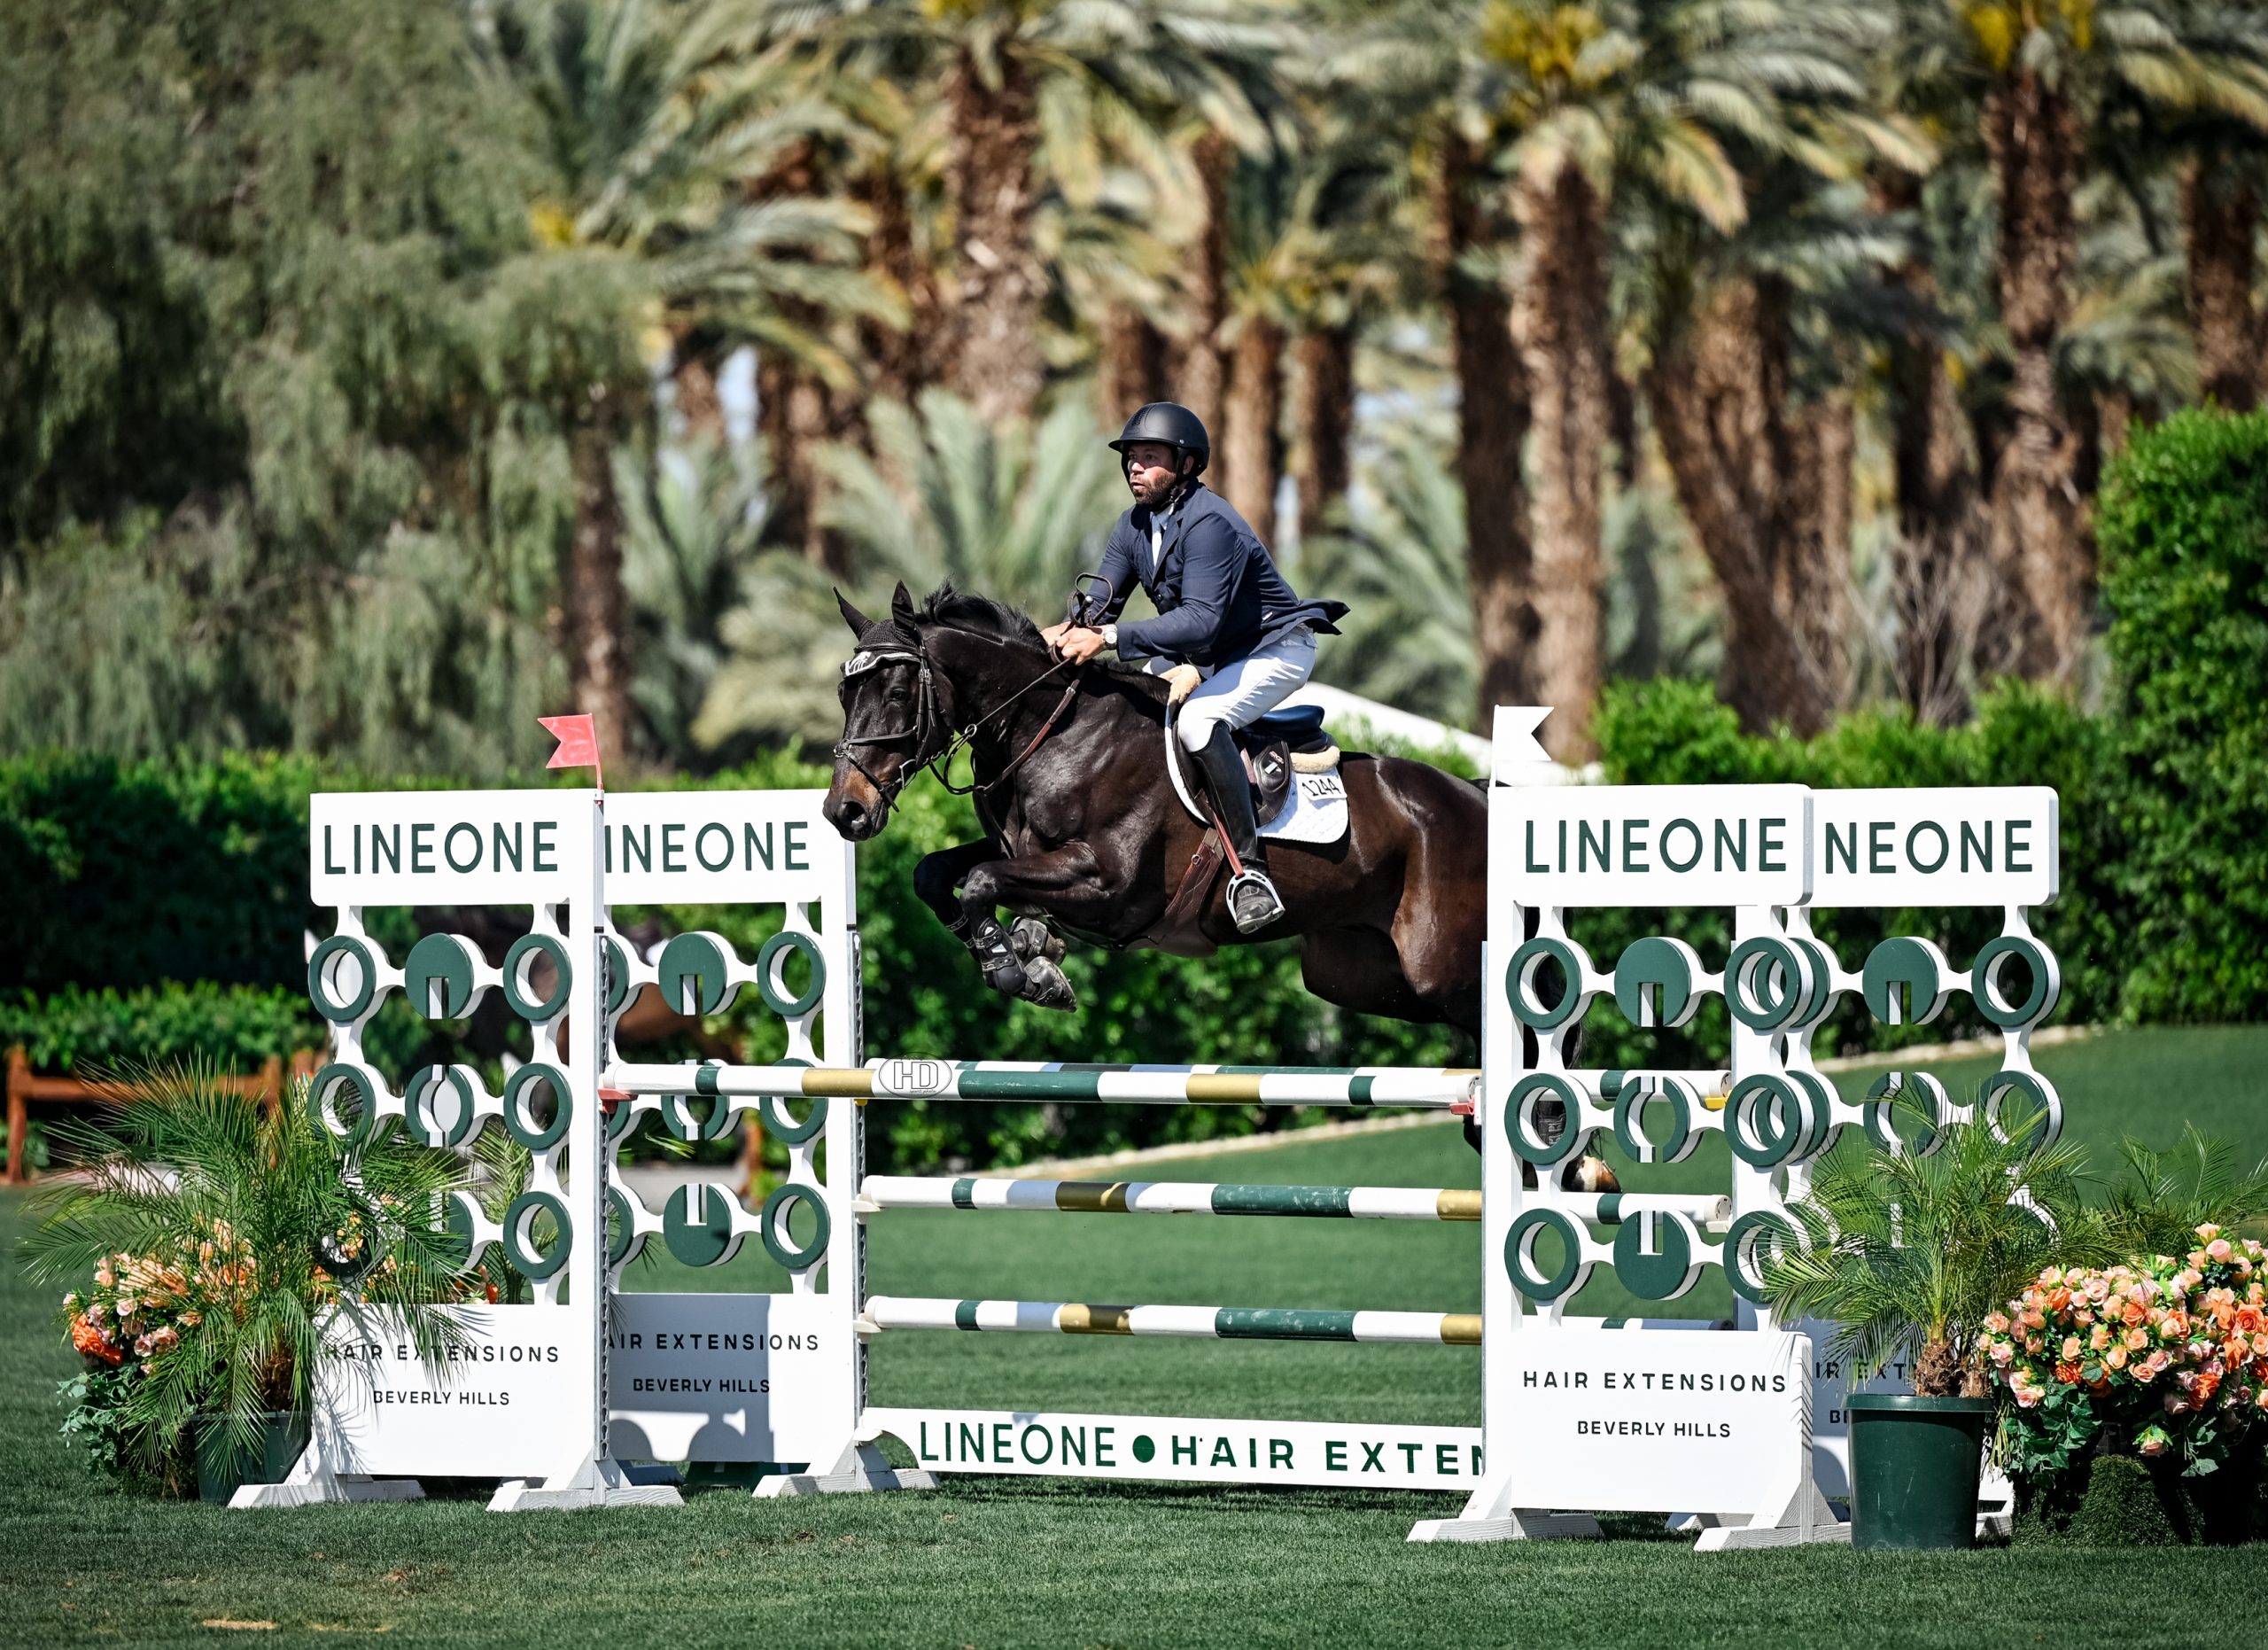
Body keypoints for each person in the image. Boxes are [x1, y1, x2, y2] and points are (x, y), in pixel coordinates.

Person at [1041, 402, 1347, 934]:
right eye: (1131, 457)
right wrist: (1056, 632)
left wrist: (1108, 638)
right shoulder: (1133, 524)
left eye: (1149, 456)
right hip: (1212, 650)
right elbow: (1100, 606)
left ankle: (1250, 872)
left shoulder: (1210, 523)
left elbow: (1201, 622)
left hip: (1272, 646)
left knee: (1199, 722)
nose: (1135, 466)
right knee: (1129, 703)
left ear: (1185, 464)